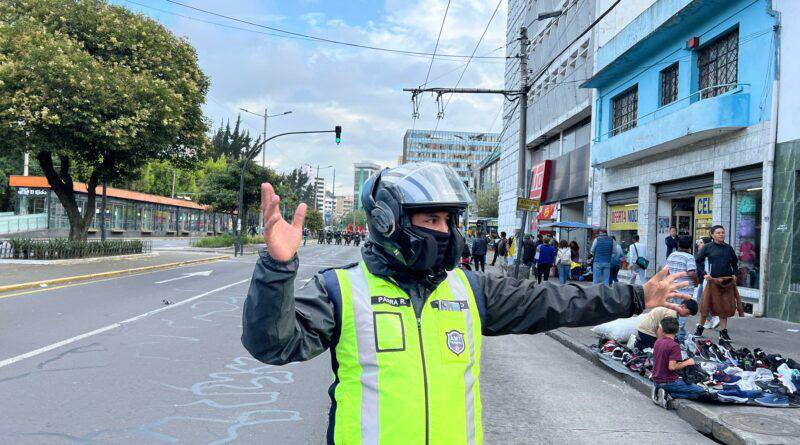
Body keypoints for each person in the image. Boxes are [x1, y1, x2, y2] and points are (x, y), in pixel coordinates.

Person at [243, 162, 690, 444]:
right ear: (389, 224)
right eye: (431, 219)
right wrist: (278, 268)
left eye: (448, 220)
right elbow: (273, 344)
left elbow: (555, 301)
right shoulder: (339, 290)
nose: (444, 232)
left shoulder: (470, 290)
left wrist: (635, 296)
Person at [651, 317, 713, 409]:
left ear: (662, 330)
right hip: (669, 382)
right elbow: (672, 367)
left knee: (689, 386)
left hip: (657, 380)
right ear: (677, 330)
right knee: (702, 392)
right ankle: (669, 394)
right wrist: (688, 362)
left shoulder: (658, 342)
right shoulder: (674, 346)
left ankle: (661, 391)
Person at [694, 225, 741, 343]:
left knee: (724, 307)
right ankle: (700, 328)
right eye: (718, 233)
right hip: (711, 281)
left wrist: (735, 274)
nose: (721, 234)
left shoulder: (728, 248)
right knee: (705, 305)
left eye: (723, 232)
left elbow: (735, 263)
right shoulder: (707, 247)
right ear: (712, 235)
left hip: (726, 282)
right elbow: (698, 262)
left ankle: (723, 333)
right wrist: (705, 274)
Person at [665, 235, 698, 341]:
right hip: (685, 290)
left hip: (672, 288)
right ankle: (677, 337)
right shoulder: (689, 257)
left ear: (678, 244)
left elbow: (667, 271)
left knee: (673, 312)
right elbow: (691, 272)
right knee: (683, 312)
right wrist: (696, 281)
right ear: (690, 246)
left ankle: (672, 333)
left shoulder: (672, 255)